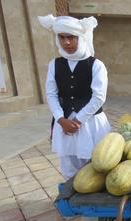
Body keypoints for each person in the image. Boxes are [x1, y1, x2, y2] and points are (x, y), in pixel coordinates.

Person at [38, 15, 111, 180]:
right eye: (62, 37)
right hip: (64, 124)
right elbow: (51, 94)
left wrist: (78, 120)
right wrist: (61, 119)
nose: (66, 43)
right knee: (69, 167)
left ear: (81, 37)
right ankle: (72, 201)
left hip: (91, 123)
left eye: (71, 37)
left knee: (97, 166)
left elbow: (99, 97)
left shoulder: (96, 65)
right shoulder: (54, 65)